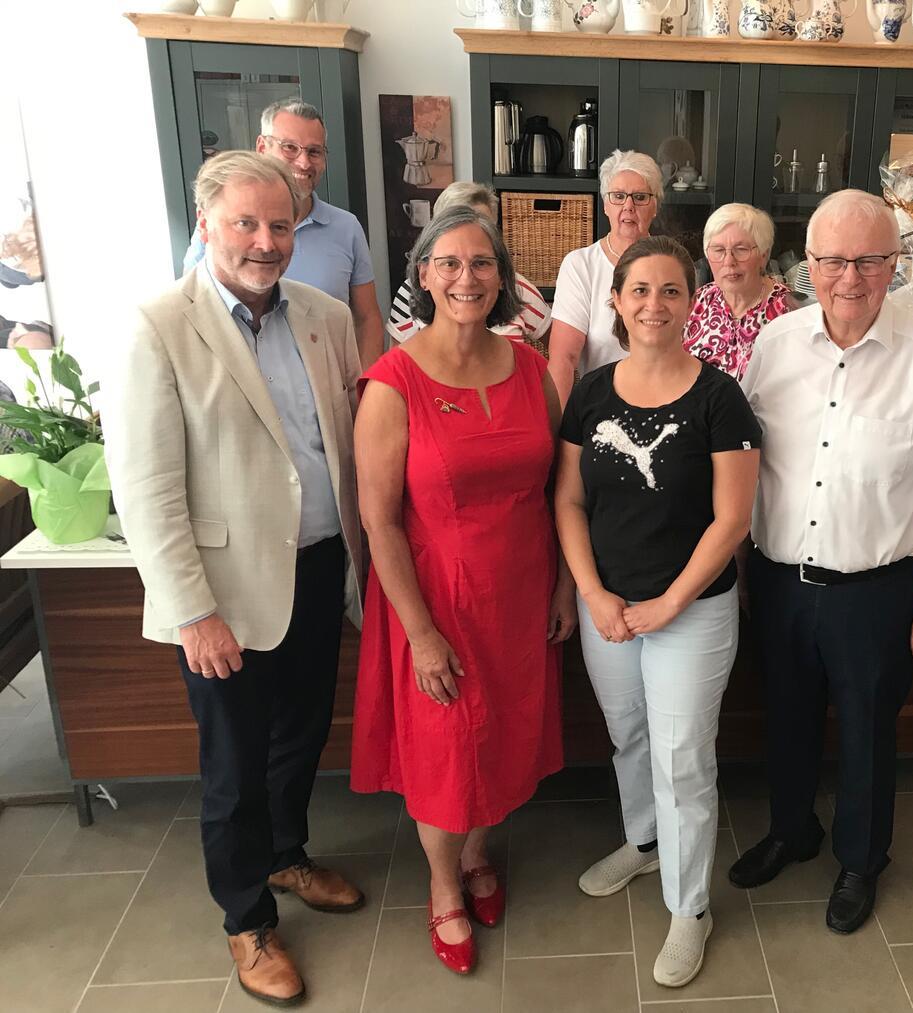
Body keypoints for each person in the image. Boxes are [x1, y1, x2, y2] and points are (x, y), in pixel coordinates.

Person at [103, 151, 366, 1008]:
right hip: (224, 595)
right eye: (245, 223)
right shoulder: (158, 326)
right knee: (234, 765)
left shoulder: (325, 315)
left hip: (318, 568)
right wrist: (192, 612)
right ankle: (247, 917)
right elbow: (146, 489)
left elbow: (341, 443)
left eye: (279, 224)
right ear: (206, 224)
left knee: (301, 736)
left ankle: (286, 855)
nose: (265, 241)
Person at [729, 190, 913, 936]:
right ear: (807, 265)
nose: (850, 278)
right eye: (833, 260)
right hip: (779, 579)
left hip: (876, 589)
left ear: (893, 264)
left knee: (869, 730)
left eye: (869, 261)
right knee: (787, 717)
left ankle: (862, 860)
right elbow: (742, 461)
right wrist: (738, 567)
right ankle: (791, 830)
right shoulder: (775, 345)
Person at [349, 205, 573, 976]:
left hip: (521, 592)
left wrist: (562, 587)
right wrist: (419, 632)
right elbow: (379, 520)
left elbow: (559, 491)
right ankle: (444, 883)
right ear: (424, 275)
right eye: (449, 263)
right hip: (436, 599)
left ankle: (479, 852)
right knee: (446, 749)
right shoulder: (393, 381)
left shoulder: (533, 371)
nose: (466, 278)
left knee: (503, 735)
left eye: (482, 263)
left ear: (503, 279)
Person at [555, 235, 759, 987]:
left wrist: (671, 602)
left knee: (682, 756)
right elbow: (568, 500)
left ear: (691, 301)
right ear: (616, 301)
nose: (654, 304)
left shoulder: (719, 397)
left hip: (692, 611)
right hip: (609, 608)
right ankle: (644, 844)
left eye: (671, 290)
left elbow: (732, 518)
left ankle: (689, 905)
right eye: (639, 290)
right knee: (629, 735)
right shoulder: (591, 393)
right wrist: (593, 592)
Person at [183, 98, 384, 368]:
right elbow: (193, 314)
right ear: (262, 147)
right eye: (289, 147)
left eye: (314, 151)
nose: (303, 162)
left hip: (324, 387)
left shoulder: (346, 228)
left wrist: (365, 387)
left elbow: (367, 319)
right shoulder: (217, 232)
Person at [548, 149, 663, 403]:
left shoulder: (671, 265)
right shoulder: (580, 265)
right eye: (618, 196)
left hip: (667, 401)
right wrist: (557, 422)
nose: (628, 206)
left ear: (654, 206)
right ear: (605, 205)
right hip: (602, 404)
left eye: (640, 197)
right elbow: (563, 358)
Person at [385, 181, 551, 349]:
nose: (466, 279)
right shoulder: (409, 294)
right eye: (450, 263)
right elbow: (397, 356)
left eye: (484, 225)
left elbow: (559, 351)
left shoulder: (519, 288)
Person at [683, 203, 794, 381]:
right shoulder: (696, 303)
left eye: (741, 250)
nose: (728, 261)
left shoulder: (790, 311)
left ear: (763, 256)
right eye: (718, 250)